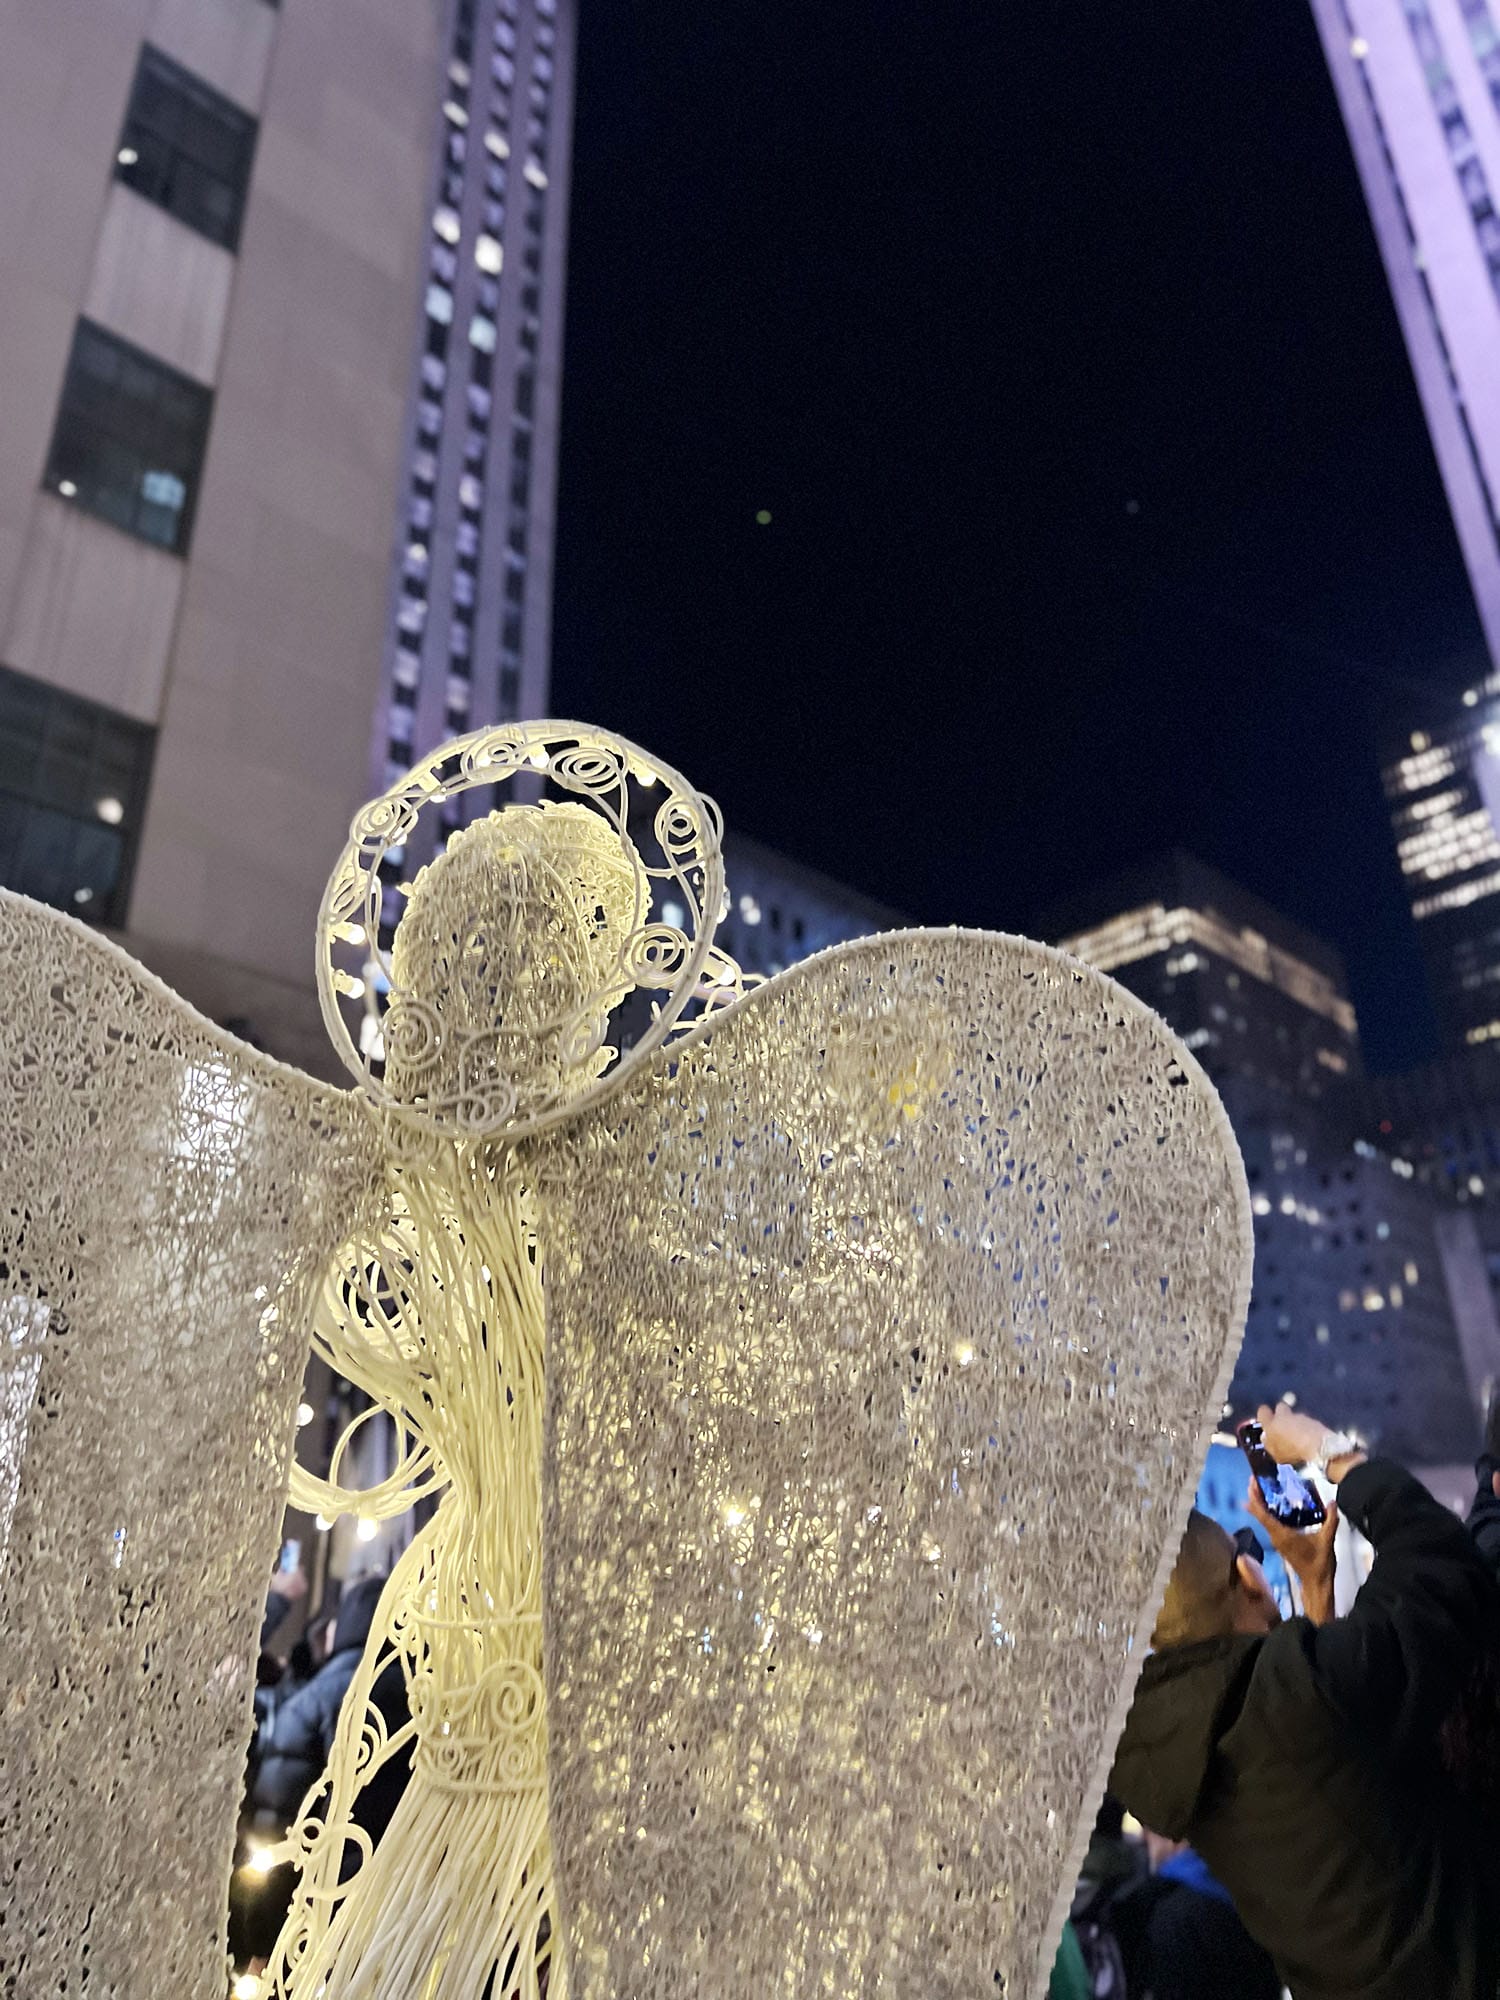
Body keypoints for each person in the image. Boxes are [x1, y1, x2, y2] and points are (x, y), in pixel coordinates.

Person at [1110, 1401, 1500, 2000]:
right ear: (1247, 1579)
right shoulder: (1297, 1696)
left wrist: (1316, 1587)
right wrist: (1328, 1450)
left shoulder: (1179, 1747)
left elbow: (1329, 1760)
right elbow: (1442, 1567)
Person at [1106, 1827, 1281, 2000]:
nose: (1143, 1838)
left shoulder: (1165, 1911)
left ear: (1176, 1836)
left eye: (1148, 1828)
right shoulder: (1260, 1901)